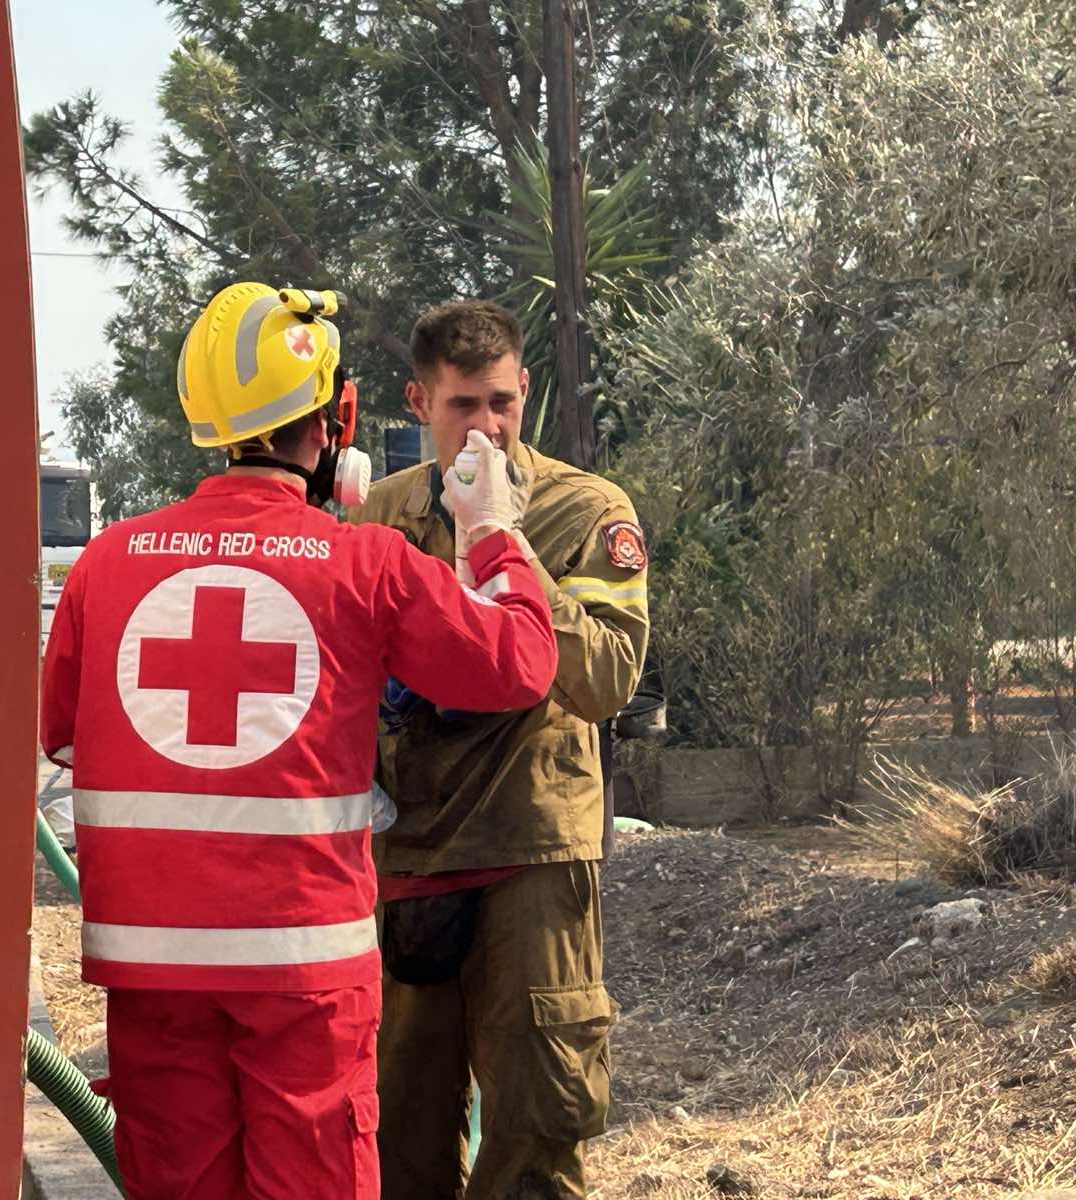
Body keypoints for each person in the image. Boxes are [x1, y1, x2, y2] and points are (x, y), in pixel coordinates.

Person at [39, 282, 560, 1200]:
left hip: (150, 966)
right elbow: (518, 662)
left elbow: (61, 734)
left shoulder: (104, 563)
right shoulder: (366, 562)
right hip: (301, 968)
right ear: (337, 421)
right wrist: (491, 532)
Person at [352, 298, 650, 1199]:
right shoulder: (380, 518)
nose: (485, 427)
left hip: (532, 857)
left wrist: (503, 542)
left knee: (534, 1137)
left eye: (502, 405)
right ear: (417, 402)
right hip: (407, 861)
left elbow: (607, 680)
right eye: (461, 407)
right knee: (394, 1140)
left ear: (526, 394)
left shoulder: (585, 509)